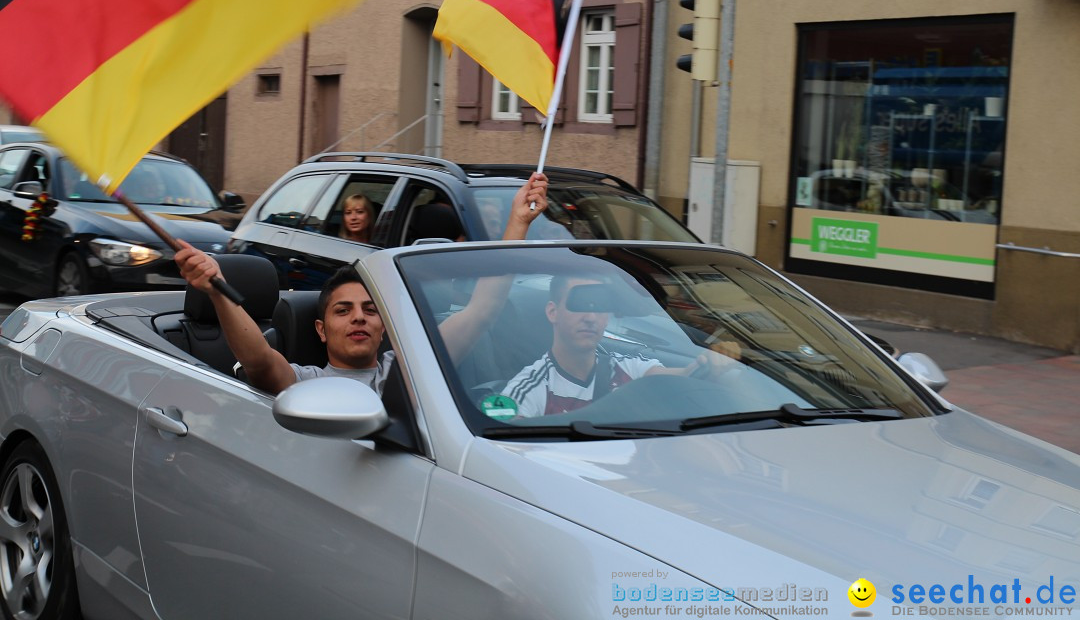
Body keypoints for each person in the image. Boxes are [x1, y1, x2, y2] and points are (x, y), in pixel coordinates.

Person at [174, 172, 548, 396]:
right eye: (343, 310)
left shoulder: (409, 370)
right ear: (320, 329)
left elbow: (481, 310)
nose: (359, 318)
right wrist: (217, 290)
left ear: (383, 326)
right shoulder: (306, 382)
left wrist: (518, 223)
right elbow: (256, 359)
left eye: (370, 310)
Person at [501, 275, 737, 418]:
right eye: (580, 304)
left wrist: (713, 362)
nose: (591, 317)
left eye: (600, 306)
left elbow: (682, 377)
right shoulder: (527, 389)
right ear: (553, 312)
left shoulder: (630, 368)